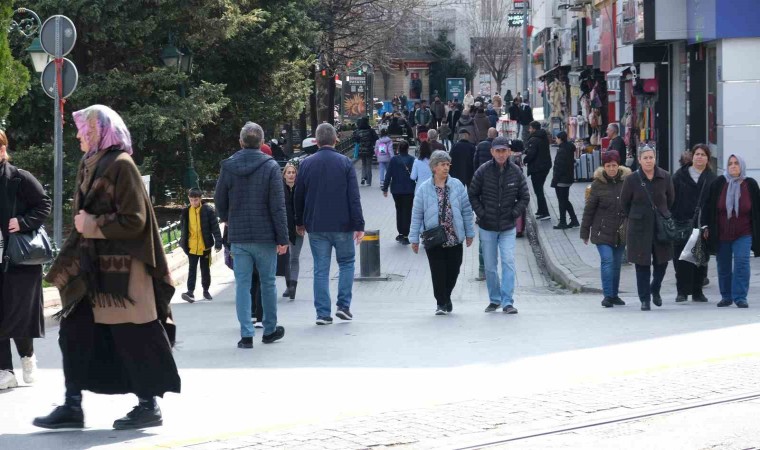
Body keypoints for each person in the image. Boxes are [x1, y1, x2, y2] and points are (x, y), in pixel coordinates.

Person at [35, 105, 179, 430]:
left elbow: (135, 219)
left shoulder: (121, 165)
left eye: (83, 129)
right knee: (73, 333)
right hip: (93, 271)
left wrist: (93, 224)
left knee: (134, 339)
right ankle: (72, 405)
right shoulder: (90, 164)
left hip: (124, 275)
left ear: (99, 131)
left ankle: (148, 405)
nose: (77, 135)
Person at [215, 121, 288, 348]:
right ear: (262, 142)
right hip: (266, 237)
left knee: (242, 285)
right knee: (268, 283)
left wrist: (227, 218)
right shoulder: (271, 166)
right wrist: (282, 238)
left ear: (241, 142)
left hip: (239, 237)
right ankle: (269, 330)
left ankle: (246, 335)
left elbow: (219, 199)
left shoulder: (229, 166)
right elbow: (278, 206)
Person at [295, 123, 365, 324]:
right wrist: (359, 225)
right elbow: (354, 197)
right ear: (336, 140)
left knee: (320, 268)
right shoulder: (345, 163)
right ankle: (343, 306)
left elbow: (298, 196)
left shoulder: (306, 164)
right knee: (347, 263)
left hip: (316, 225)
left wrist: (299, 222)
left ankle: (323, 314)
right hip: (343, 224)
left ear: (316, 141)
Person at [0, 130, 51, 391]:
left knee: (18, 315)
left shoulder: (20, 178)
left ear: (2, 150)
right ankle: (5, 371)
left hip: (18, 260)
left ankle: (27, 356)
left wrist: (22, 222)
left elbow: (43, 205)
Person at [409, 151, 475, 315]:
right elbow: (416, 215)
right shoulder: (424, 189)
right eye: (442, 165)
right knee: (438, 272)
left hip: (454, 236)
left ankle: (446, 296)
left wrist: (469, 233)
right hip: (434, 238)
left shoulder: (457, 185)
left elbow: (467, 211)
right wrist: (414, 238)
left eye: (447, 164)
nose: (446, 168)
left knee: (454, 270)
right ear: (434, 167)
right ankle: (441, 302)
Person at [469, 136, 529, 314]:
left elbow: (525, 197)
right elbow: (473, 194)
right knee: (490, 266)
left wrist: (514, 213)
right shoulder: (483, 171)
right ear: (492, 152)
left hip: (507, 226)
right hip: (487, 226)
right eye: (498, 151)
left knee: (508, 261)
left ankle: (507, 301)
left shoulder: (516, 171)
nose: (501, 154)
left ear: (509, 152)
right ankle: (494, 299)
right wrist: (482, 213)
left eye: (504, 151)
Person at [702, 154, 760, 309]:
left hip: (744, 232)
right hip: (722, 233)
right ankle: (726, 296)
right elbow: (708, 206)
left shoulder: (750, 184)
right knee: (723, 265)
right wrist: (705, 226)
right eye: (730, 164)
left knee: (742, 263)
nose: (733, 166)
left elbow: (757, 209)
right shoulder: (719, 183)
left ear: (742, 166)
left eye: (736, 163)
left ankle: (740, 297)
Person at [620, 146, 674, 311]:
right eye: (645, 158)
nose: (649, 161)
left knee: (662, 262)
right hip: (639, 228)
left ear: (655, 158)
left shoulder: (665, 176)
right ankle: (644, 299)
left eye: (651, 157)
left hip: (660, 227)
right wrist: (637, 216)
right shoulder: (631, 179)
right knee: (641, 264)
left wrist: (662, 213)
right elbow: (624, 203)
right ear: (640, 160)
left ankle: (655, 288)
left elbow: (671, 199)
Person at [580, 151, 631, 307]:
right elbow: (589, 210)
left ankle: (614, 295)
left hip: (621, 231)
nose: (611, 169)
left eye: (614, 165)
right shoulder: (597, 184)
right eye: (608, 166)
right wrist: (584, 232)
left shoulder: (627, 182)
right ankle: (607, 295)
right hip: (602, 230)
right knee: (607, 261)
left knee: (616, 264)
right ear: (604, 167)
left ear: (619, 165)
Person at [671, 144, 716, 303]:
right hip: (681, 223)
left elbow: (713, 203)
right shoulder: (679, 175)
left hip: (702, 224)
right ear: (692, 156)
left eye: (703, 155)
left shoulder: (711, 178)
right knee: (681, 258)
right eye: (697, 154)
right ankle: (682, 292)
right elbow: (671, 199)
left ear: (707, 158)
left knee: (700, 258)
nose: (699, 157)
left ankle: (697, 291)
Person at [179, 188, 222, 303]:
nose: (194, 202)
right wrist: (182, 242)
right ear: (189, 199)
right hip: (191, 247)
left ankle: (206, 290)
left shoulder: (208, 210)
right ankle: (190, 292)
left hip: (205, 246)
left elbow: (215, 227)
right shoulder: (186, 212)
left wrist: (218, 242)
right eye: (191, 200)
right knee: (192, 269)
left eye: (196, 200)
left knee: (205, 270)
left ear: (200, 199)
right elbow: (183, 229)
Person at [383, 141, 416, 245]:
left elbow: (388, 174)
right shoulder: (412, 159)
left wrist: (385, 188)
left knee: (399, 210)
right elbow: (415, 175)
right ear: (408, 148)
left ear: (398, 149)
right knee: (407, 211)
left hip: (396, 190)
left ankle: (401, 233)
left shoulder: (394, 160)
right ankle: (406, 235)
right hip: (409, 190)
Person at [282, 163, 303, 300]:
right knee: (285, 258)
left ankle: (293, 286)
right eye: (288, 172)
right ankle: (288, 284)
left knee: (294, 257)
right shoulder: (279, 189)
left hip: (298, 228)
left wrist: (302, 224)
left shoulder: (300, 188)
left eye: (293, 172)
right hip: (283, 228)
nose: (291, 175)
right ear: (284, 175)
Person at [524, 121, 552, 220]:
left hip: (537, 168)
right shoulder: (543, 137)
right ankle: (540, 210)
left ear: (534, 129)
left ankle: (545, 213)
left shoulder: (534, 139)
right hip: (545, 166)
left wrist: (524, 160)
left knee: (538, 190)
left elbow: (531, 154)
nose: (529, 130)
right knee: (538, 189)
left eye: (530, 128)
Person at [551, 131, 579, 229]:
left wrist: (555, 180)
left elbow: (559, 167)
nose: (556, 140)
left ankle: (563, 222)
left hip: (561, 180)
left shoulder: (562, 150)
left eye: (556, 138)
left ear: (560, 139)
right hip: (567, 178)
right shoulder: (568, 148)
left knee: (562, 202)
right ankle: (574, 220)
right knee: (565, 201)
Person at [353, 117, 379, 186]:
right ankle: (368, 181)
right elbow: (376, 138)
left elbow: (356, 140)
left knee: (363, 164)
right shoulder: (371, 130)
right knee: (368, 165)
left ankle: (363, 178)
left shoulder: (358, 131)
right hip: (369, 149)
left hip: (361, 150)